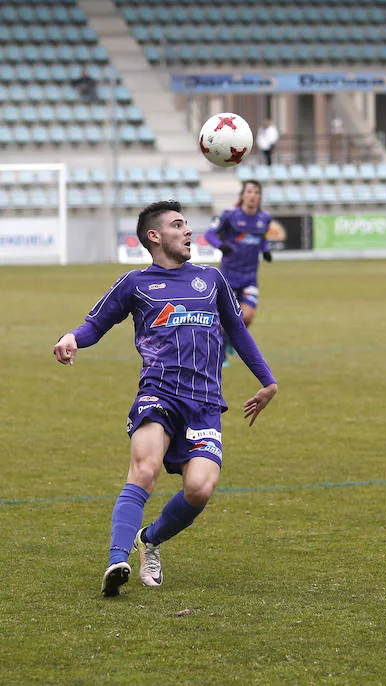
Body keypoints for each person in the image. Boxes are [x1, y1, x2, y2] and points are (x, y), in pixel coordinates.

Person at [52, 200, 278, 597]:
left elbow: (237, 331)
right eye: (178, 225)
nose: (188, 231)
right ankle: (116, 560)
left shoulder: (211, 279)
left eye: (188, 224)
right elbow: (96, 324)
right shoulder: (135, 284)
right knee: (144, 469)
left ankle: (150, 539)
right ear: (154, 236)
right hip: (158, 394)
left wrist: (267, 380)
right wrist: (72, 337)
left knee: (200, 489)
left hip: (205, 402)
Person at [203, 180, 273, 366]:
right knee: (228, 319)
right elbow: (209, 234)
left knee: (247, 316)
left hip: (250, 277)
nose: (253, 195)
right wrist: (221, 246)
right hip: (228, 277)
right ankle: (223, 350)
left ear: (259, 196)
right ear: (243, 195)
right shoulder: (230, 216)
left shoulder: (264, 218)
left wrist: (265, 249)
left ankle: (229, 342)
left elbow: (262, 237)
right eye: (249, 191)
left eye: (256, 192)